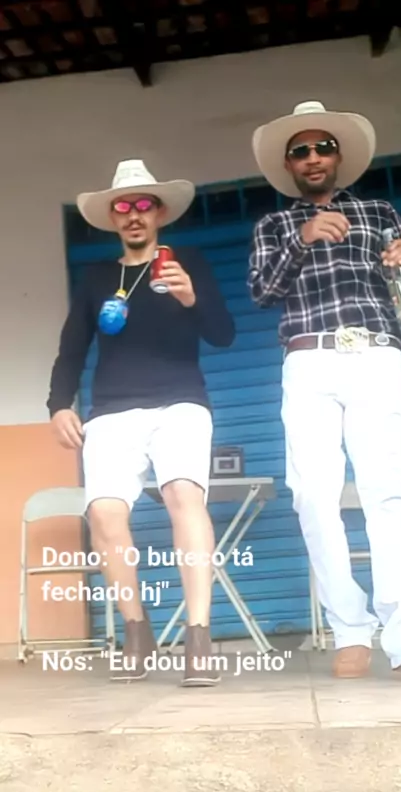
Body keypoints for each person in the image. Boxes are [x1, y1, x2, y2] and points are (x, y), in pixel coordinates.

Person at [247, 101, 401, 685]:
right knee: (311, 496)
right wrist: (303, 238)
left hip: (376, 353)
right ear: (289, 165)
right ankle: (350, 631)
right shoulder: (273, 226)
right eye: (301, 151)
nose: (313, 157)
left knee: (389, 493)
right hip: (308, 358)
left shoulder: (380, 211)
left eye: (323, 147)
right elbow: (263, 293)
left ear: (338, 155)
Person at [47, 159, 235, 686]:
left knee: (183, 495)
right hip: (111, 408)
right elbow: (71, 349)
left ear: (159, 213)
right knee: (104, 513)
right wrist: (59, 404)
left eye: (144, 205)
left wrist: (191, 297)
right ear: (113, 217)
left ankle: (198, 636)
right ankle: (136, 631)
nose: (134, 214)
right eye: (124, 206)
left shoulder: (187, 263)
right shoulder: (97, 278)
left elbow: (223, 334)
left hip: (180, 402)